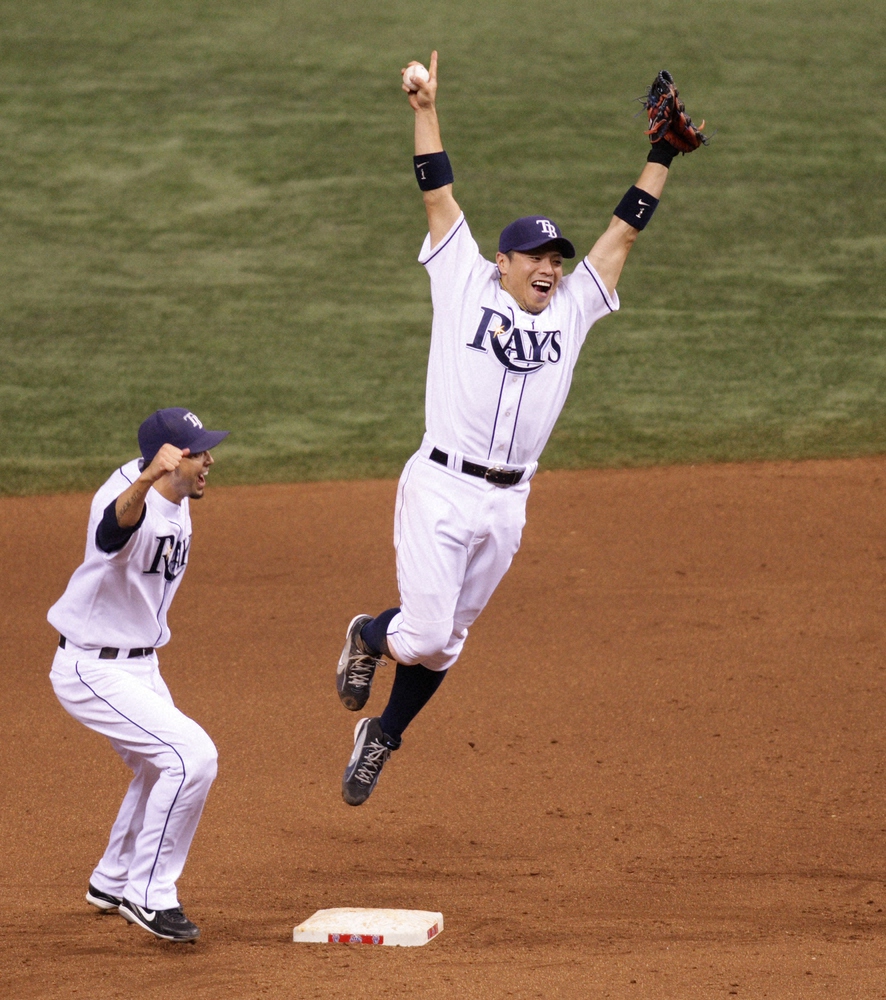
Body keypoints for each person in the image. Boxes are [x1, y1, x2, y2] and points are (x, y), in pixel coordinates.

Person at [335, 52, 705, 806]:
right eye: (535, 256)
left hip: (508, 504)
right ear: (501, 261)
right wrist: (424, 107)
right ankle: (370, 635)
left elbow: (623, 235)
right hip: (440, 485)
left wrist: (662, 154)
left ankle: (384, 736)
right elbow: (437, 191)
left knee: (448, 642)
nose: (550, 266)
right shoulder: (462, 278)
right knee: (430, 635)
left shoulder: (573, 306)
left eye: (556, 258)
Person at [48, 407, 229, 942]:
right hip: (91, 667)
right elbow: (110, 534)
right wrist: (149, 478)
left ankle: (112, 879)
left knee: (158, 765)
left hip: (140, 663)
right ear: (167, 459)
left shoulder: (179, 494)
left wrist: (163, 477)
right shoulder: (131, 498)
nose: (210, 461)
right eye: (199, 453)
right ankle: (149, 894)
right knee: (192, 758)